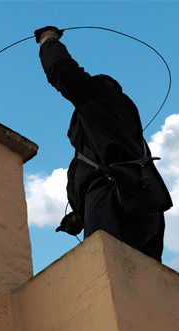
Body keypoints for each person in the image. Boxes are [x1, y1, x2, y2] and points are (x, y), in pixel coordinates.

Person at [35, 26, 167, 261]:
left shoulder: (101, 99)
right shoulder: (117, 129)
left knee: (105, 264)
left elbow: (64, 73)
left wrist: (48, 39)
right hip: (137, 204)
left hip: (112, 196)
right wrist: (79, 213)